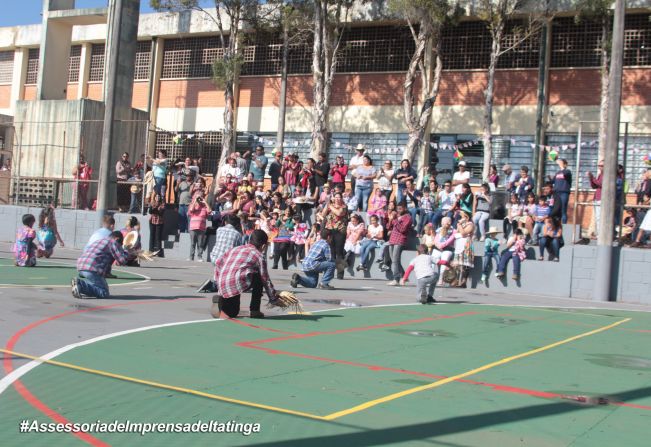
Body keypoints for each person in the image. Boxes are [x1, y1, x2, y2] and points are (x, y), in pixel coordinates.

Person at [211, 230, 278, 319]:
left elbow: (219, 262)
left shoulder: (235, 249)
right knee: (259, 277)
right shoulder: (259, 256)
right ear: (263, 246)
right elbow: (265, 279)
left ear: (249, 241)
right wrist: (273, 298)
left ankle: (221, 301)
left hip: (222, 283)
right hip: (237, 282)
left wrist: (217, 281)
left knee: (232, 312)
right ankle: (254, 310)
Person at [71, 231, 129, 299]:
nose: (119, 247)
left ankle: (81, 286)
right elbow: (122, 260)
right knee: (104, 292)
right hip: (92, 267)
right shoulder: (113, 242)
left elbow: (107, 263)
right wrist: (127, 250)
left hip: (81, 265)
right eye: (120, 245)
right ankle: (80, 285)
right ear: (116, 239)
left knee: (98, 286)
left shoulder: (100, 240)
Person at [320, 191, 349, 280]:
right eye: (335, 197)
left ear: (341, 198)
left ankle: (340, 274)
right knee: (331, 253)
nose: (337, 199)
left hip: (340, 231)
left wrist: (330, 206)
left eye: (339, 197)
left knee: (339, 253)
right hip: (330, 231)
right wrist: (327, 204)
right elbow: (323, 214)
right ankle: (330, 272)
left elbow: (339, 213)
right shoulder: (330, 205)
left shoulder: (344, 206)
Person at [386, 202, 413, 286]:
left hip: (400, 240)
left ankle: (396, 279)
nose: (398, 210)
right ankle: (404, 276)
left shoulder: (407, 217)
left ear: (405, 208)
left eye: (400, 209)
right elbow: (388, 227)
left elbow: (402, 229)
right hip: (392, 239)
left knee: (395, 261)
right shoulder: (396, 217)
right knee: (395, 261)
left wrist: (395, 220)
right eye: (397, 209)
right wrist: (390, 219)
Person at [453, 209, 474, 288]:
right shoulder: (462, 224)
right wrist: (460, 225)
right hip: (459, 244)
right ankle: (457, 280)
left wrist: (459, 225)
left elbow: (463, 233)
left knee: (465, 264)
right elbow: (457, 232)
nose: (461, 217)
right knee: (458, 264)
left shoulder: (470, 224)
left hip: (466, 245)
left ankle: (463, 281)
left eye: (462, 216)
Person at [431, 217, 455, 286]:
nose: (441, 223)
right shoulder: (439, 229)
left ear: (449, 222)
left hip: (447, 249)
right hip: (438, 248)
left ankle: (441, 279)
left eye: (443, 222)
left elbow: (449, 241)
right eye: (441, 222)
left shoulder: (453, 231)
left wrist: (441, 246)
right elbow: (436, 239)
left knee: (444, 262)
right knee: (432, 260)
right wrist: (438, 245)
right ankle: (431, 278)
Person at [188, 195, 211, 262]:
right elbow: (191, 210)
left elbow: (209, 211)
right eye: (198, 199)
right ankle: (191, 257)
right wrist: (195, 200)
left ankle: (199, 257)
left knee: (200, 243)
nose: (199, 200)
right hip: (193, 227)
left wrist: (205, 202)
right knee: (192, 243)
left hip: (201, 228)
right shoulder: (192, 205)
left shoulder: (204, 207)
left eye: (199, 198)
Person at [551, 158, 572, 224]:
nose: (559, 163)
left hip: (564, 193)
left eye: (561, 162)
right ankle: (555, 224)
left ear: (565, 164)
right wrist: (549, 178)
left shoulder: (567, 171)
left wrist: (562, 166)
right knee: (556, 210)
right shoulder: (557, 173)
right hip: (556, 193)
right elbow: (553, 181)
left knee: (563, 209)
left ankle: (563, 225)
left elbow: (565, 174)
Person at [148, 191, 165, 257]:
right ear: (155, 197)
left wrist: (156, 210)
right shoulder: (152, 203)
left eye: (159, 196)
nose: (157, 197)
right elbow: (150, 211)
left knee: (158, 237)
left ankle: (158, 252)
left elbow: (161, 213)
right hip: (152, 221)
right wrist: (154, 209)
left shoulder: (162, 204)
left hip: (159, 221)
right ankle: (150, 251)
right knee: (151, 236)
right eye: (156, 196)